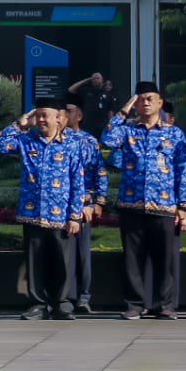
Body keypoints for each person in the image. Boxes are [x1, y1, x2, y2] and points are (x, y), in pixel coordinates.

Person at [103, 81, 186, 319]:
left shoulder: (174, 133)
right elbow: (108, 139)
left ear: (160, 102)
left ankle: (165, 305)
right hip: (132, 204)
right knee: (133, 259)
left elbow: (184, 170)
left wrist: (184, 207)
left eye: (151, 98)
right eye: (141, 99)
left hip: (164, 206)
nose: (146, 102)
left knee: (165, 259)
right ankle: (134, 303)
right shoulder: (128, 130)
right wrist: (123, 111)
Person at [0, 100, 85, 320]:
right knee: (35, 261)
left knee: (62, 261)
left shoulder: (70, 145)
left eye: (46, 116)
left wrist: (74, 215)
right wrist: (20, 124)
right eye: (39, 116)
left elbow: (77, 181)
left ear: (58, 119)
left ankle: (61, 303)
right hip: (32, 213)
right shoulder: (26, 141)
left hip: (59, 215)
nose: (42, 120)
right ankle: (38, 304)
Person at [63, 93, 108, 313]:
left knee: (82, 253)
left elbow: (99, 172)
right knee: (64, 254)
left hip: (84, 204)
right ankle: (65, 297)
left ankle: (83, 296)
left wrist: (98, 202)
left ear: (79, 115)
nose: (64, 115)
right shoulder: (55, 139)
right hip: (58, 205)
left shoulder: (89, 141)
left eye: (69, 111)